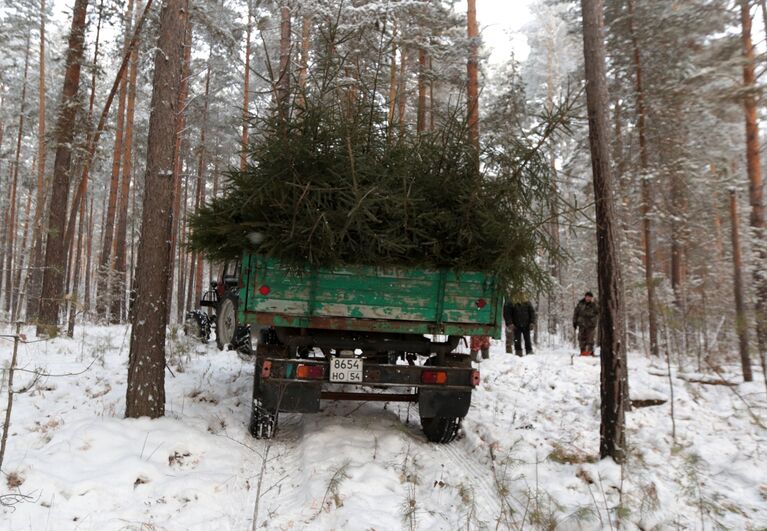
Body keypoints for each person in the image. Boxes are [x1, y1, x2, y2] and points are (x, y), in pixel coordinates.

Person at [573, 291, 599, 356]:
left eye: (590, 297)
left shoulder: (594, 305)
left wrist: (594, 321)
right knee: (581, 338)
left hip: (591, 325)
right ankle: (583, 351)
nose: (588, 298)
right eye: (587, 297)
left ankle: (590, 352)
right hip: (582, 324)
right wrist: (574, 322)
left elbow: (598, 313)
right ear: (585, 297)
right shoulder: (580, 304)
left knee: (590, 338)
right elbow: (576, 313)